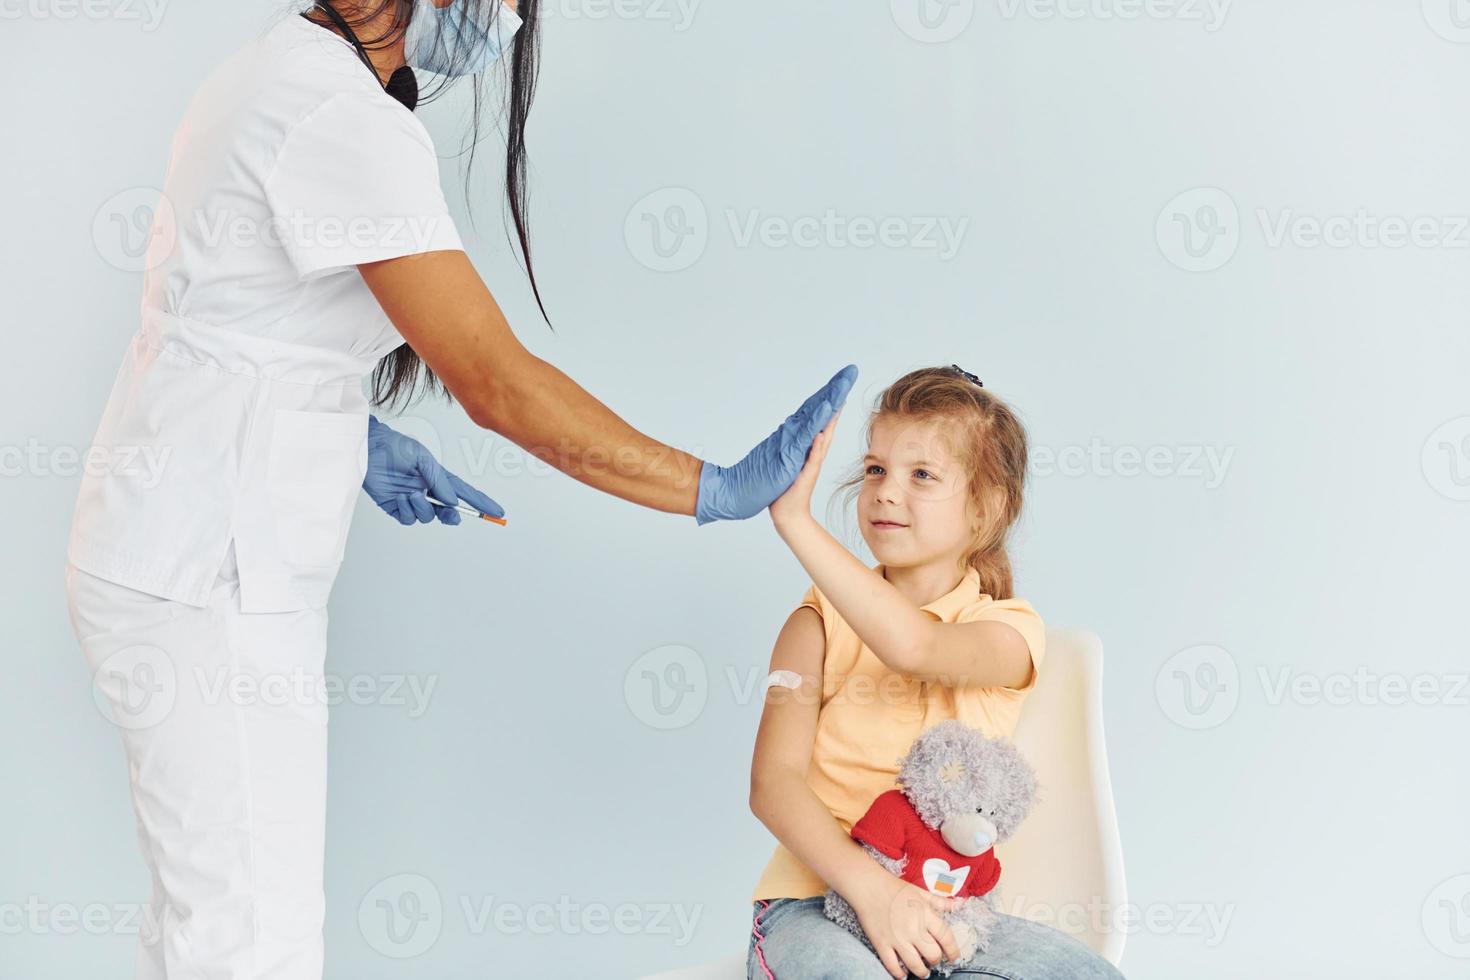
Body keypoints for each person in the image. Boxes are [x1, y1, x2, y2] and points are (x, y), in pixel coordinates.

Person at [62, 1, 856, 977]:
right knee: (246, 942)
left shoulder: (278, 74)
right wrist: (708, 486)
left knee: (211, 920)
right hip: (206, 572)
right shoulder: (341, 118)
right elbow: (495, 381)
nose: (508, 20)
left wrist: (347, 429)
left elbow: (234, 307)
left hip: (178, 549)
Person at [746, 366, 1126, 979]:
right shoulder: (813, 624)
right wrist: (875, 892)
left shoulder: (1009, 631)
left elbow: (915, 648)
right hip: (813, 903)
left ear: (986, 506)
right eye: (876, 469)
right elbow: (772, 784)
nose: (886, 492)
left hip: (951, 915)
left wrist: (797, 523)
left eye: (921, 475)